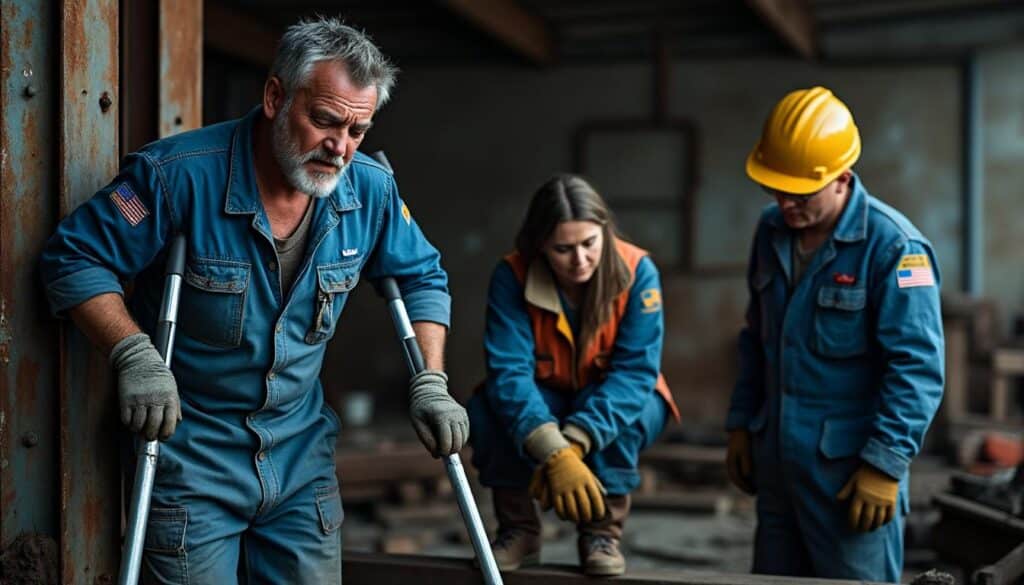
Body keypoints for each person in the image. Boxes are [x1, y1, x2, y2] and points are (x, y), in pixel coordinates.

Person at [39, 18, 468, 584]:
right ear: (274, 97)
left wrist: (431, 380)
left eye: (358, 130)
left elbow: (422, 278)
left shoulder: (369, 190)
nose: (340, 148)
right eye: (325, 121)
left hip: (301, 460)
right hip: (191, 459)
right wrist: (133, 354)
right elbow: (75, 259)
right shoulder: (176, 176)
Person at [725, 86, 944, 582]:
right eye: (775, 190)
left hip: (849, 477)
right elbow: (756, 338)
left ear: (842, 178)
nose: (785, 204)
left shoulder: (895, 247)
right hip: (778, 469)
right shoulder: (771, 231)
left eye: (799, 194)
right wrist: (741, 423)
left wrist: (885, 464)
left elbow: (917, 368)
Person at [468, 174, 680, 577]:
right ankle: (519, 531)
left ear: (605, 232)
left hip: (623, 396)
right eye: (563, 249)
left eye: (589, 244)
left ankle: (601, 533)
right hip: (545, 396)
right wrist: (553, 450)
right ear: (540, 245)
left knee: (619, 414)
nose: (580, 260)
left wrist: (577, 442)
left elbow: (635, 373)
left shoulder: (639, 272)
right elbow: (508, 373)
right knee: (485, 408)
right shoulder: (511, 276)